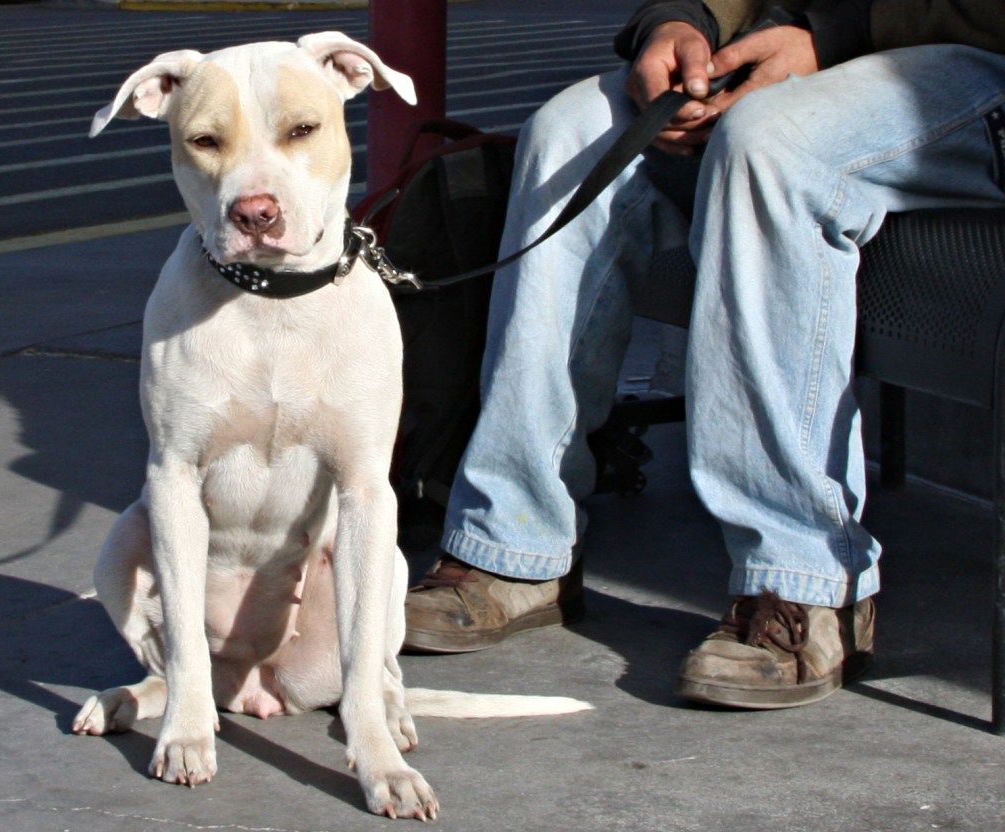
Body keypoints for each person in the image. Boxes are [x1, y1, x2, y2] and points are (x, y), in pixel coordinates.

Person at [403, 0, 1005, 708]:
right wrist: (681, 27)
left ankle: (805, 584)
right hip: (803, 52)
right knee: (570, 127)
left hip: (968, 56)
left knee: (771, 141)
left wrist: (831, 38)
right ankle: (517, 545)